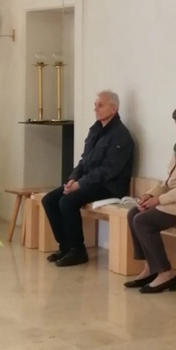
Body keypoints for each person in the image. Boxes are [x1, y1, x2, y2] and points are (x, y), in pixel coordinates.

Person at [42, 90, 134, 267]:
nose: (96, 109)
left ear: (114, 108)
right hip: (89, 182)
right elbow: (85, 161)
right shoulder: (95, 130)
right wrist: (73, 178)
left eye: (101, 105)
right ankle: (65, 246)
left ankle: (78, 250)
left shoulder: (121, 136)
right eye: (95, 105)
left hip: (109, 186)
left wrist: (80, 184)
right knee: (49, 200)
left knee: (67, 202)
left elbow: (108, 170)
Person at [123, 99, 176, 294]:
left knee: (143, 220)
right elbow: (169, 182)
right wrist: (149, 194)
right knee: (133, 213)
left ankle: (166, 273)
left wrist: (159, 200)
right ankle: (151, 268)